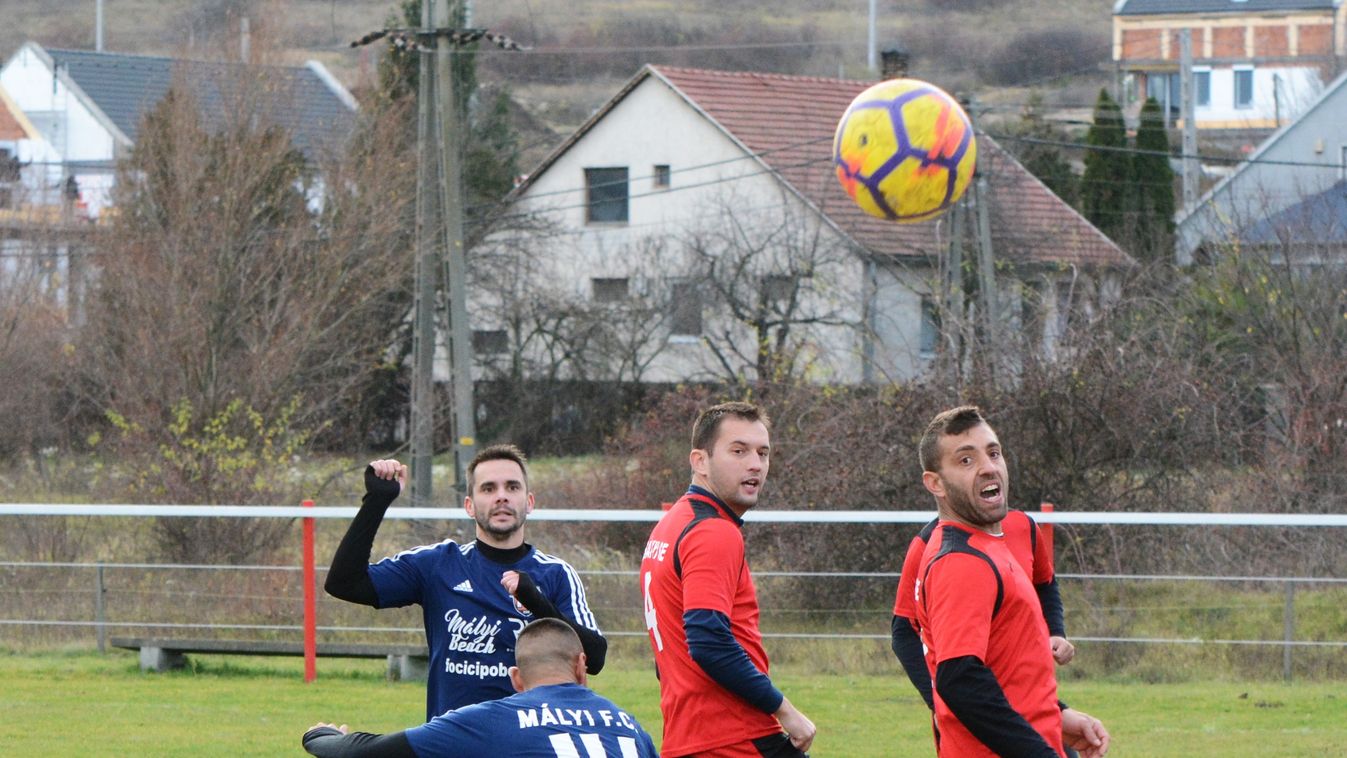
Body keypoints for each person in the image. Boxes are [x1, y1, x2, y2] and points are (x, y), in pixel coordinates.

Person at [325, 444, 606, 720]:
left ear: (529, 502)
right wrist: (377, 501)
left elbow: (594, 658)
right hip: (453, 744)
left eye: (512, 487)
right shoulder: (438, 564)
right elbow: (344, 583)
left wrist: (537, 603)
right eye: (488, 488)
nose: (501, 497)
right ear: (469, 506)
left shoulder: (555, 574)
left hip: (527, 745)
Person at [912, 406, 1109, 758]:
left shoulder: (991, 543)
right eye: (966, 460)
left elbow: (1008, 665)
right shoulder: (961, 562)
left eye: (993, 452)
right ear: (935, 483)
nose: (988, 466)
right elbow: (960, 680)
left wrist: (1058, 715)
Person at [639, 401, 816, 757]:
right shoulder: (713, 531)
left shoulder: (672, 523)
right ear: (700, 460)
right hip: (735, 738)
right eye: (739, 451)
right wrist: (786, 710)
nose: (755, 464)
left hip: (690, 736)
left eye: (763, 453)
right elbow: (707, 640)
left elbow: (669, 654)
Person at [302, 618, 657, 758]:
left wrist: (318, 736)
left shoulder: (493, 720)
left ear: (516, 679)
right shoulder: (630, 725)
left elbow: (371, 752)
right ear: (582, 667)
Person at [891, 508, 1074, 712]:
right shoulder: (931, 543)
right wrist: (940, 703)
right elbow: (904, 633)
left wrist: (1056, 632)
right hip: (974, 709)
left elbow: (1044, 583)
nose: (986, 476)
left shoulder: (1023, 526)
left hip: (1032, 700)